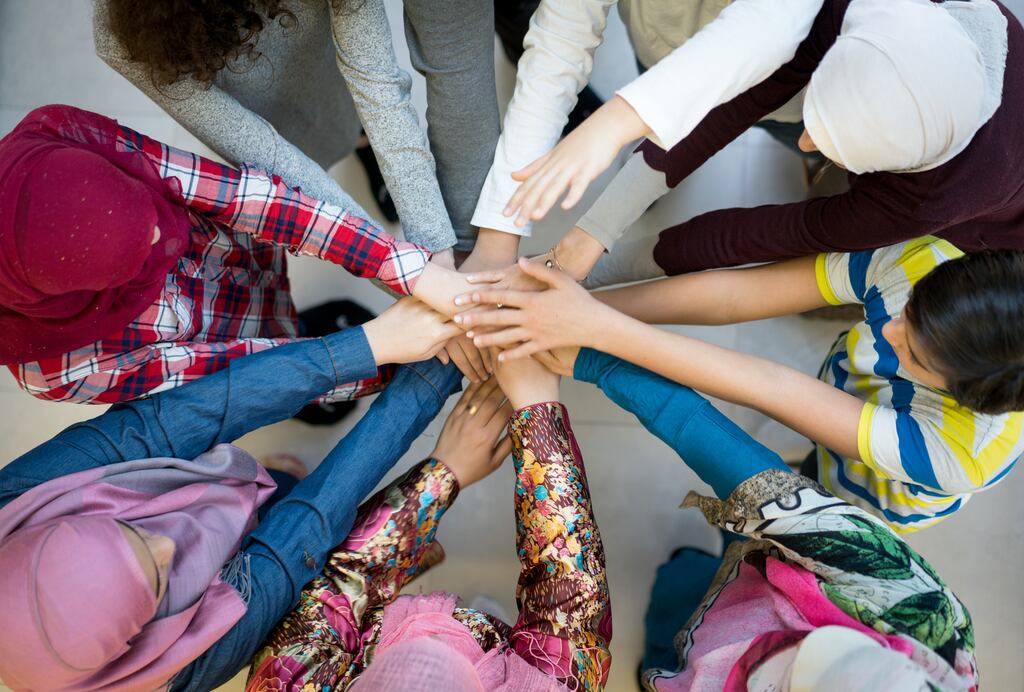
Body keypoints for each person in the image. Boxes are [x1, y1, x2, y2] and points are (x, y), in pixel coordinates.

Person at [0, 302, 465, 692]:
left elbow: (193, 414)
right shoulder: (184, 665)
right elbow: (306, 527)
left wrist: (371, 345)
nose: (171, 546)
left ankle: (274, 477)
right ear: (127, 647)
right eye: (160, 586)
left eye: (131, 531)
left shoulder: (21, 497)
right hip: (263, 551)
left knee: (276, 486)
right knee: (306, 527)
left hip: (211, 498)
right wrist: (428, 384)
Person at [454, 240, 1024, 531]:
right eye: (911, 310)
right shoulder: (925, 263)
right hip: (849, 395)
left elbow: (768, 385)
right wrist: (582, 310)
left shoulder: (960, 454)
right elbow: (736, 296)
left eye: (914, 351)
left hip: (874, 490)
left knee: (786, 509)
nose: (889, 327)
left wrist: (598, 332)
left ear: (965, 392)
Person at [468, 0, 1020, 292]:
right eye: (812, 122)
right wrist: (589, 237)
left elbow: (769, 234)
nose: (807, 141)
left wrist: (599, 275)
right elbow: (719, 113)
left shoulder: (930, 203)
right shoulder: (871, 15)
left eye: (829, 149)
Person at [536, 345, 977, 690]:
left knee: (666, 649)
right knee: (731, 547)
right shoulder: (903, 599)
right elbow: (755, 481)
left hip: (710, 647)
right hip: (785, 561)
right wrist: (598, 362)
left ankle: (663, 653)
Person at [0, 105, 485, 410]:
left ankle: (301, 325)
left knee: (277, 298)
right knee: (290, 353)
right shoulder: (60, 368)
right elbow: (230, 379)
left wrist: (413, 271)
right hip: (224, 343)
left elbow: (249, 200)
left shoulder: (61, 139)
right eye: (135, 261)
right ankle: (312, 338)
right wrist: (373, 355)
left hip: (238, 255)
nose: (162, 235)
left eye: (146, 208)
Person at [246, 353, 612, 690]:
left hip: (368, 629)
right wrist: (538, 416)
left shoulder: (286, 682)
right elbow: (569, 597)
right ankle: (494, 632)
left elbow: (337, 589)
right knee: (526, 640)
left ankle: (427, 578)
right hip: (491, 651)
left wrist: (442, 475)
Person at [94, 0, 500, 260]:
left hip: (322, 69)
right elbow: (267, 152)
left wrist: (434, 243)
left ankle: (361, 144)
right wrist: (400, 268)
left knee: (349, 115)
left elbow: (375, 85)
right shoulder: (124, 35)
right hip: (252, 112)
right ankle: (356, 145)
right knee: (302, 157)